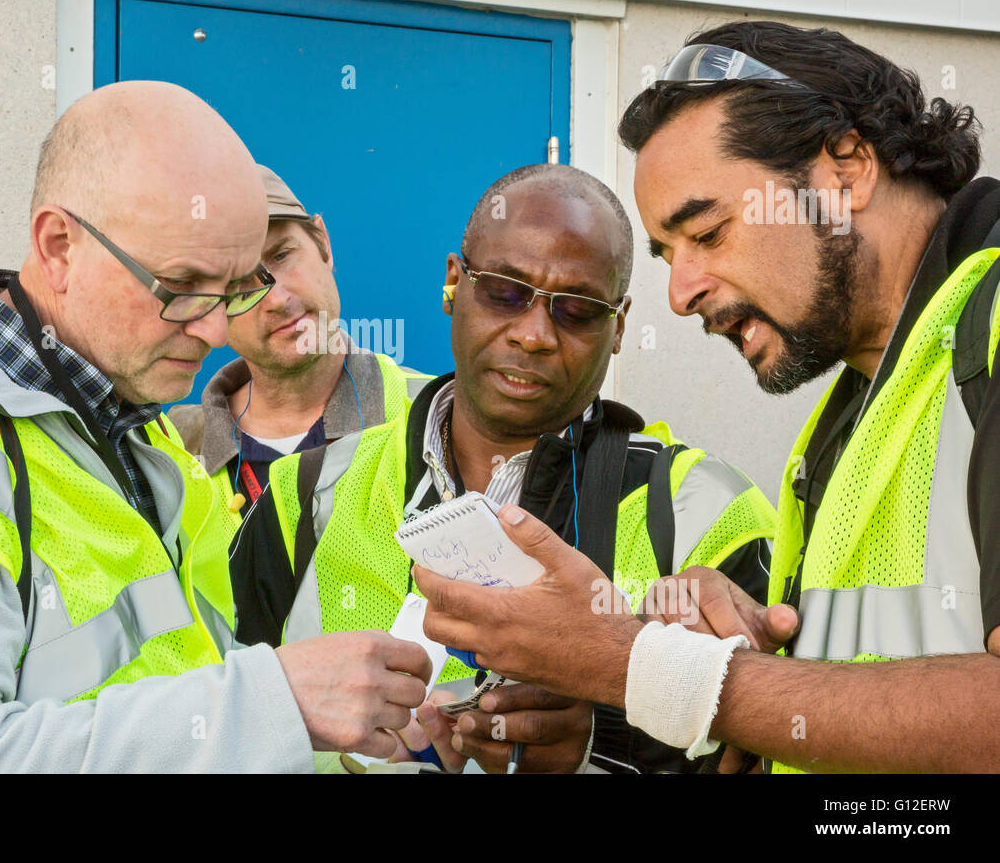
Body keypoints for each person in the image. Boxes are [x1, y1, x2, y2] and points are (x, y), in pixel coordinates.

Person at [0, 81, 431, 773]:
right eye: (183, 286)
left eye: (233, 290)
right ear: (58, 245)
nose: (218, 329)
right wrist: (273, 703)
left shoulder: (140, 436)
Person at [413, 21, 1000, 773]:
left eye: (710, 232)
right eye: (665, 254)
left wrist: (642, 666)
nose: (681, 294)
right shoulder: (859, 408)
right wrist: (755, 651)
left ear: (845, 171)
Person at [234, 163, 777, 773]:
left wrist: (597, 748)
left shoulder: (701, 513)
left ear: (619, 326)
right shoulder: (303, 496)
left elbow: (769, 759)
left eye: (577, 309)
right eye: (505, 291)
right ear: (452, 284)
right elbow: (226, 727)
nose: (534, 334)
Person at [169, 164, 429, 631]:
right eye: (236, 286)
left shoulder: (434, 419)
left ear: (323, 244)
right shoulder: (170, 455)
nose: (275, 297)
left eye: (283, 255)